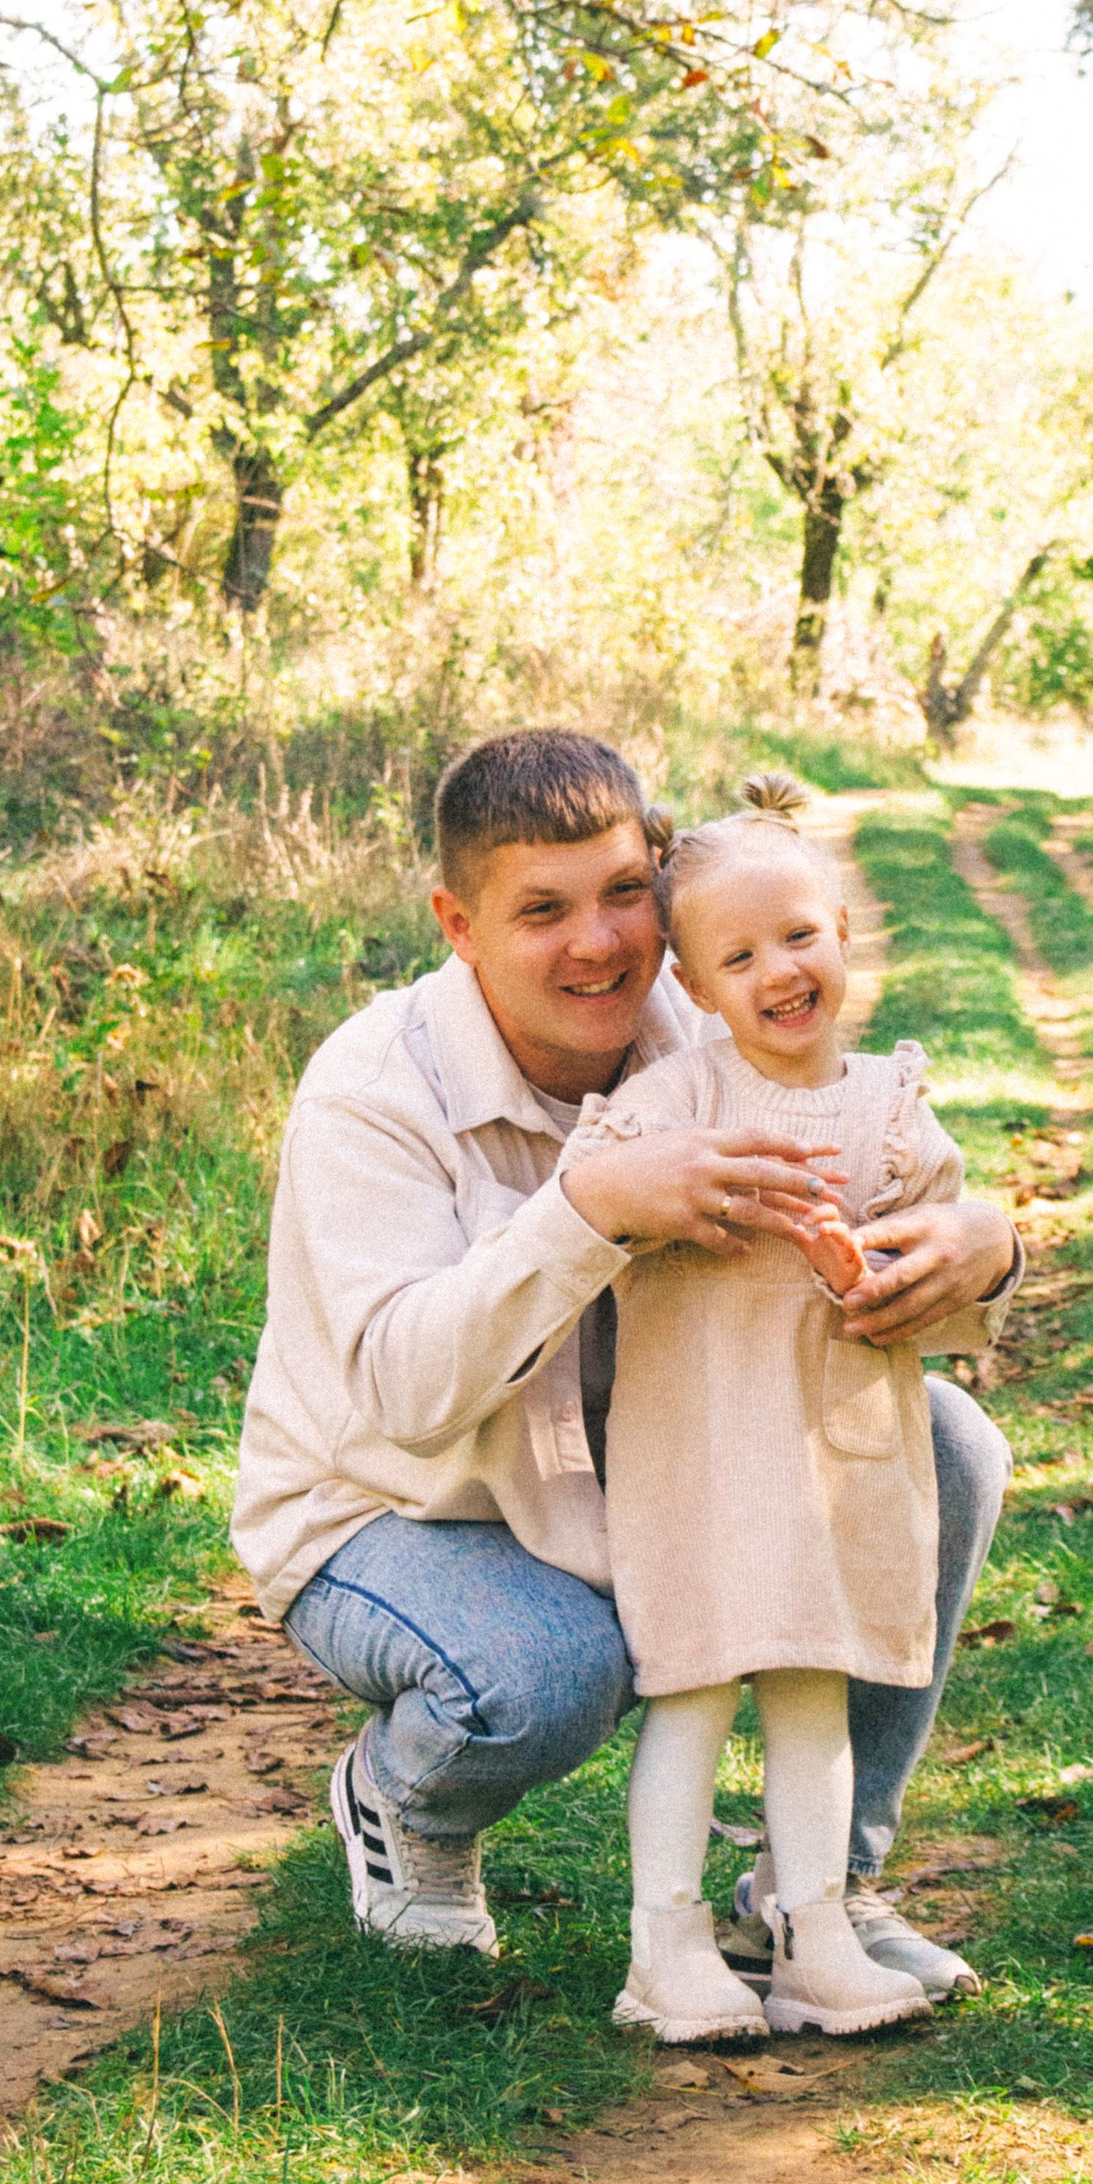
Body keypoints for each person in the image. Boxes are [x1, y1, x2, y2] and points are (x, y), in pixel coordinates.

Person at [231, 727, 1021, 1988]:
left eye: (619, 898)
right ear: (457, 921)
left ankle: (818, 1891)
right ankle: (404, 1802)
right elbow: (399, 1400)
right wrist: (591, 1208)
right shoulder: (371, 1091)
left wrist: (981, 1243)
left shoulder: (706, 1007)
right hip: (395, 1510)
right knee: (546, 1672)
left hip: (651, 1458)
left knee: (951, 1449)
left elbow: (875, 1157)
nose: (595, 944)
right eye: (540, 910)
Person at [576, 774, 988, 2040]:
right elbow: (589, 1185)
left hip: (839, 1454)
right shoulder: (687, 1098)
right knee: (696, 1689)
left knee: (816, 1690)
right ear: (694, 989)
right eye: (738, 956)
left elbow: (952, 1263)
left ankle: (813, 1932)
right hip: (699, 1451)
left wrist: (924, 1259)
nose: (777, 972)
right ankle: (668, 1946)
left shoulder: (889, 1111)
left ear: (847, 934)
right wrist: (654, 1187)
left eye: (799, 936)